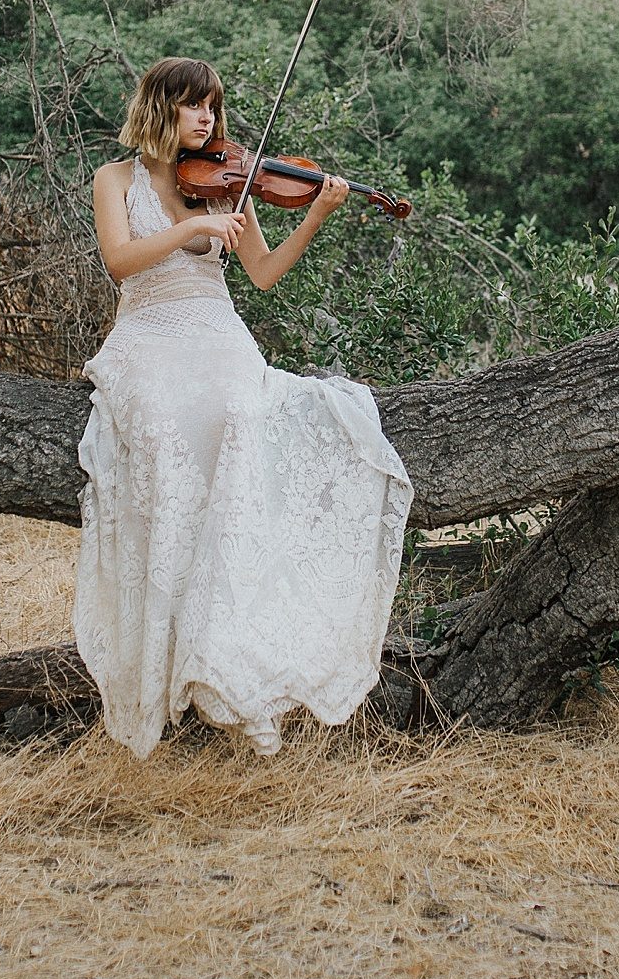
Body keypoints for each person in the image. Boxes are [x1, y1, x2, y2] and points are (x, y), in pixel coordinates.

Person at [75, 55, 413, 758]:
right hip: (147, 332)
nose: (208, 119)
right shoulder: (115, 179)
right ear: (160, 107)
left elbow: (261, 273)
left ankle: (229, 652)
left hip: (217, 329)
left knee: (243, 418)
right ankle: (169, 647)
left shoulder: (228, 180)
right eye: (195, 106)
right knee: (166, 435)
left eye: (213, 107)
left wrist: (316, 214)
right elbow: (119, 261)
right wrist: (190, 232)